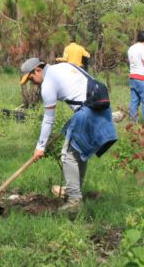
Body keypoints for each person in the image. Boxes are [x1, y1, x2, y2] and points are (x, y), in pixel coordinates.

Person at [20, 57, 117, 215]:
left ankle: (74, 200)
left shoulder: (48, 85)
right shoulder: (64, 66)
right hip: (97, 108)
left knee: (68, 156)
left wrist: (40, 146)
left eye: (31, 78)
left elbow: (48, 119)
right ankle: (74, 190)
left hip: (88, 113)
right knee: (79, 153)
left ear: (38, 70)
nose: (33, 82)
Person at [127, 30, 144, 125]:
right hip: (143, 78)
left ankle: (133, 122)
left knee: (134, 101)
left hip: (133, 77)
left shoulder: (131, 48)